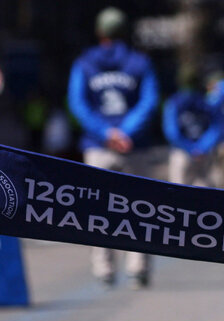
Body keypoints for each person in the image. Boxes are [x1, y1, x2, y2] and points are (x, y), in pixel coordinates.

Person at [67, 6, 160, 289]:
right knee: (139, 209)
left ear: (100, 33)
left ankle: (104, 269)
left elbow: (78, 103)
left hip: (99, 146)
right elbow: (150, 100)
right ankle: (138, 268)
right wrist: (126, 131)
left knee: (97, 209)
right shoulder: (140, 62)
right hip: (134, 146)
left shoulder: (84, 63)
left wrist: (106, 133)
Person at [163, 66, 221, 188]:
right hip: (202, 152)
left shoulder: (174, 101)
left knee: (178, 191)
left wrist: (191, 148)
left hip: (182, 151)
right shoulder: (206, 100)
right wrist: (201, 147)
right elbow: (215, 127)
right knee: (204, 190)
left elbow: (171, 130)